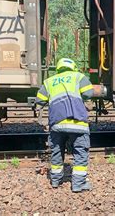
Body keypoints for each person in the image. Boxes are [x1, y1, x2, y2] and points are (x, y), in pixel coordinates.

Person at [35, 58, 94, 192]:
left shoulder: (49, 81)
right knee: (80, 152)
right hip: (77, 123)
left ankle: (55, 181)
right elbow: (89, 93)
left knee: (56, 151)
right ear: (73, 67)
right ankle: (78, 184)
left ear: (58, 68)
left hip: (57, 124)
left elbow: (40, 100)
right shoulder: (79, 77)